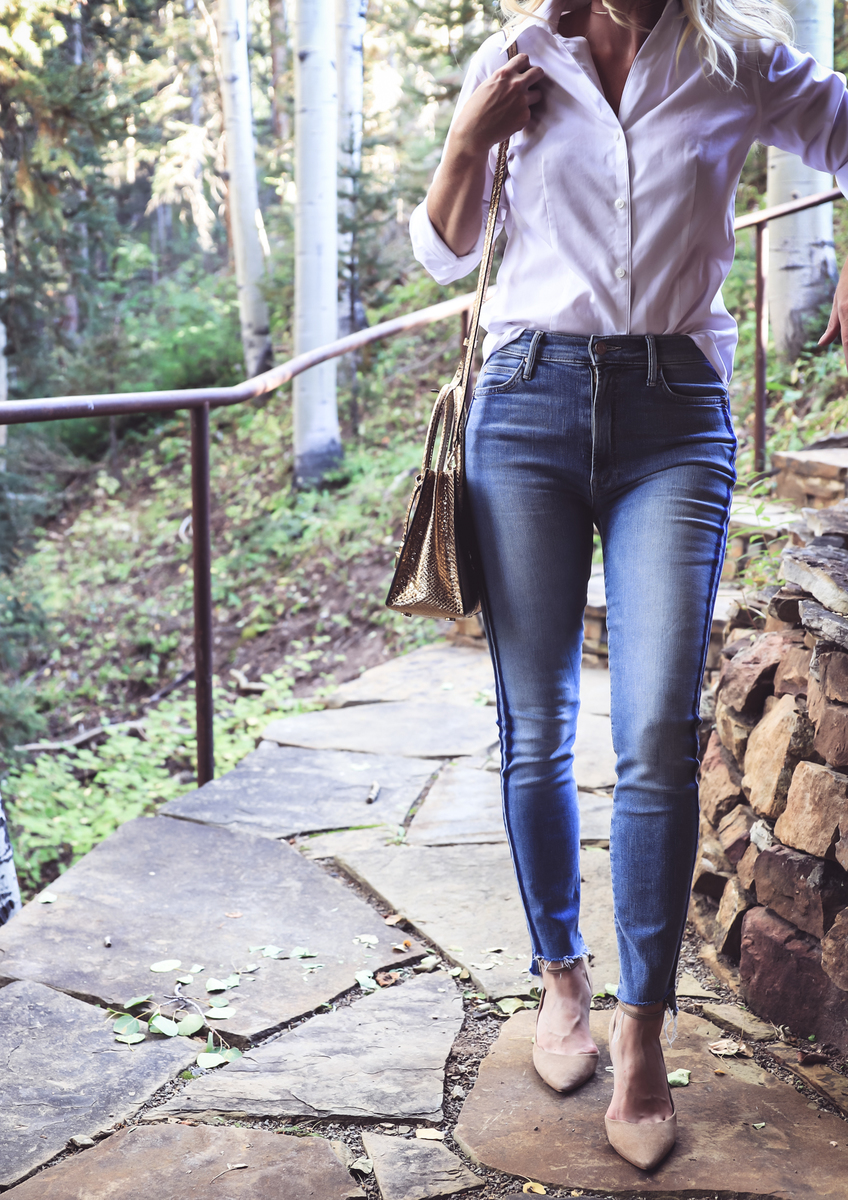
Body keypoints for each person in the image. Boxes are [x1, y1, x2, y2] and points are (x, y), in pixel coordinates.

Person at [409, 0, 848, 1172]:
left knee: (657, 729)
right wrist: (468, 136)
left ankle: (643, 1030)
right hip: (525, 406)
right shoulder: (515, 58)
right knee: (533, 726)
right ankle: (561, 977)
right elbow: (440, 247)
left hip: (673, 414)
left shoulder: (738, 57)